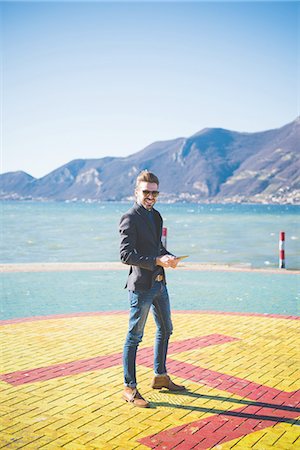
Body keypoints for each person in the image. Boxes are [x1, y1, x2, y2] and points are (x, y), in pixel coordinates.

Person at [119, 170, 186, 408]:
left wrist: (168, 257)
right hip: (141, 287)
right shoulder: (130, 217)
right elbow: (126, 255)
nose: (151, 196)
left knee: (166, 329)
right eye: (146, 192)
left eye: (155, 192)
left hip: (160, 283)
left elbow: (158, 247)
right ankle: (130, 387)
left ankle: (160, 376)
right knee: (134, 337)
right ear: (137, 192)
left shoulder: (156, 216)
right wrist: (157, 261)